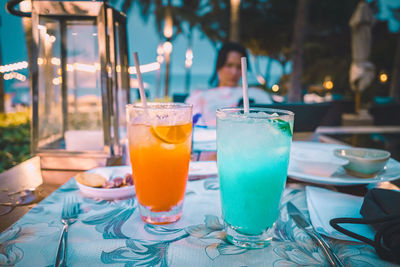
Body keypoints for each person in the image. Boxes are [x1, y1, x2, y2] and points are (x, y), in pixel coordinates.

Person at [186, 42, 272, 126]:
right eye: (229, 65)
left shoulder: (257, 94)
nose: (234, 72)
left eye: (239, 67)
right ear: (219, 66)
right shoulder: (201, 96)